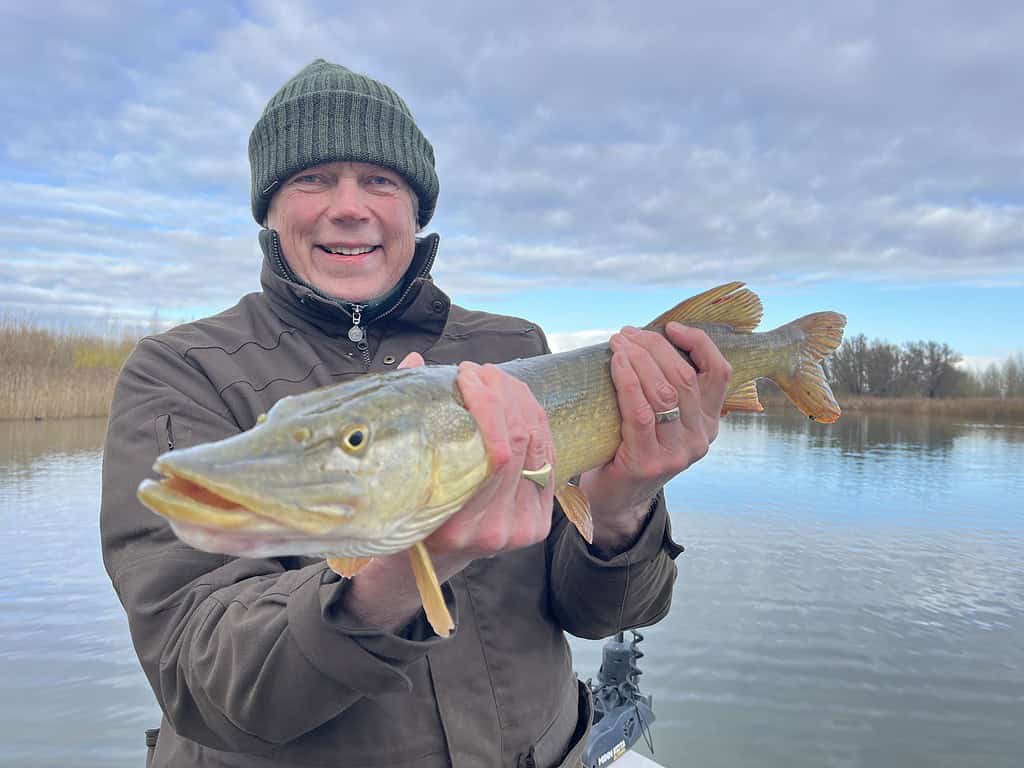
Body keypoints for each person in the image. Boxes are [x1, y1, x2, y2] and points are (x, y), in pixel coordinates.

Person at [100, 59, 731, 768]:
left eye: (380, 180)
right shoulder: (183, 371)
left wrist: (623, 509)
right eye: (312, 178)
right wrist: (395, 578)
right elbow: (203, 682)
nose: (349, 206)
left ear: (416, 207)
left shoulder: (510, 347)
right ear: (270, 209)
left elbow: (604, 616)